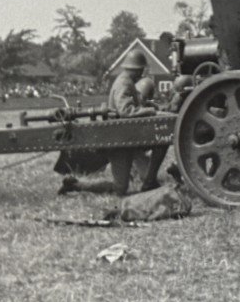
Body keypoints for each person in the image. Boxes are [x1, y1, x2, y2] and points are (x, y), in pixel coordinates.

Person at [58, 49, 167, 196]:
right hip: (119, 141)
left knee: (157, 153)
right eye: (141, 70)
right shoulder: (124, 83)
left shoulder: (126, 81)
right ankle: (76, 185)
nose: (142, 74)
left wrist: (146, 107)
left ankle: (149, 181)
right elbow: (126, 111)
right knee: (120, 188)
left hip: (128, 138)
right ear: (136, 70)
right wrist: (151, 112)